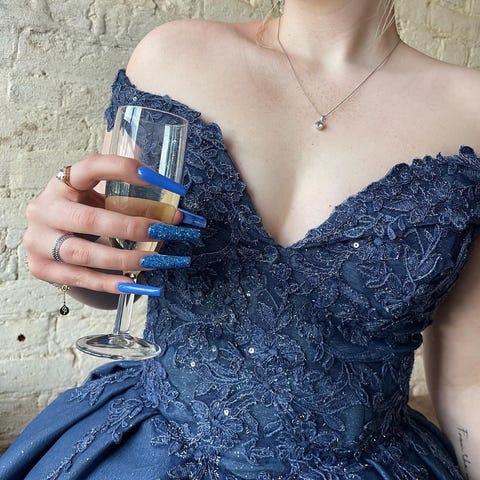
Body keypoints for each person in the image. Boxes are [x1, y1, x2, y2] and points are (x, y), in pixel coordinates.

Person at [1, 0, 479, 478]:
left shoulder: (470, 111)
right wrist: (69, 250)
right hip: (150, 450)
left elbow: (467, 381)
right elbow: (122, 272)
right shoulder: (174, 58)